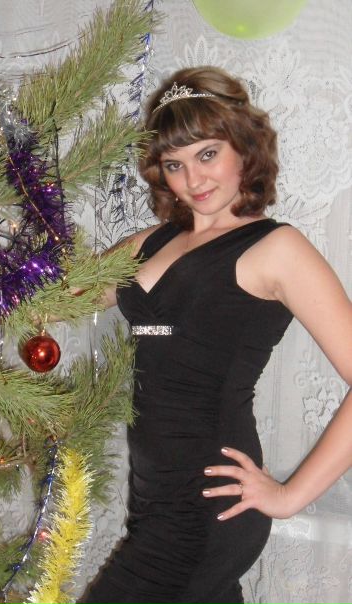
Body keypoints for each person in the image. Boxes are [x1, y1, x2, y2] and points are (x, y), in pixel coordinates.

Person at [78, 66, 352, 604]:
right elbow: (58, 296)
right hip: (153, 505)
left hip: (208, 509)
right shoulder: (150, 243)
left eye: (208, 154)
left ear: (244, 148)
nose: (193, 179)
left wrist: (289, 496)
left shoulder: (276, 248)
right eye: (174, 165)